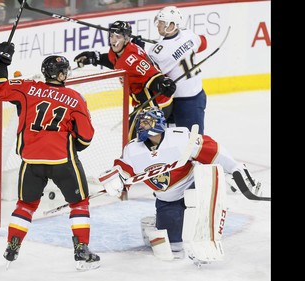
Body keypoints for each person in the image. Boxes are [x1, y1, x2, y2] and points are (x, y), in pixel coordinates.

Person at [99, 106, 262, 263]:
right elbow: (123, 169)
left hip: (192, 186)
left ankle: (205, 238)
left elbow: (213, 150)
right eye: (141, 123)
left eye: (146, 122)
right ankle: (153, 227)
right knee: (174, 247)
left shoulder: (180, 137)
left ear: (158, 123)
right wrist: (115, 178)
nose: (141, 126)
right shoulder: (133, 150)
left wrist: (234, 168)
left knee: (208, 180)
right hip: (167, 199)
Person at [0, 42, 100, 271]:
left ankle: (13, 244)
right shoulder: (75, 98)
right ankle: (81, 248)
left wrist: (2, 61)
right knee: (79, 203)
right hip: (62, 161)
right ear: (60, 74)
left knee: (26, 204)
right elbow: (86, 136)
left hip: (31, 161)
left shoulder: (28, 88)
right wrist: (71, 146)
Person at [74, 20, 176, 141]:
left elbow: (153, 76)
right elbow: (114, 61)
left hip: (154, 105)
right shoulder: (119, 52)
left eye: (118, 36)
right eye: (111, 36)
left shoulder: (132, 59)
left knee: (133, 142)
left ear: (127, 39)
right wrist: (95, 58)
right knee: (136, 141)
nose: (113, 40)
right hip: (144, 103)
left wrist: (162, 83)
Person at [147, 6, 208, 134]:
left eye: (162, 23)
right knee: (178, 139)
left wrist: (140, 48)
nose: (158, 25)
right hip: (195, 95)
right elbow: (203, 43)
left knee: (191, 142)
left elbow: (150, 74)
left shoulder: (158, 52)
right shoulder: (188, 34)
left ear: (172, 25)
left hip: (185, 103)